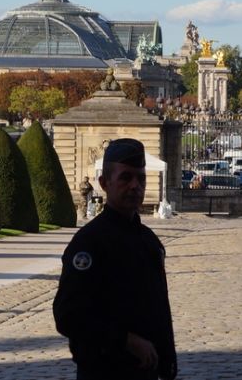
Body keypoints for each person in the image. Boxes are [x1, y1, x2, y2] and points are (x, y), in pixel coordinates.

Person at [53, 138, 177, 380]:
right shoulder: (89, 243)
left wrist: (168, 360)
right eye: (126, 177)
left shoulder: (149, 242)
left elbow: (158, 309)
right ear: (104, 183)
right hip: (105, 369)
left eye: (141, 178)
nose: (135, 186)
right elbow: (69, 315)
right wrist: (125, 340)